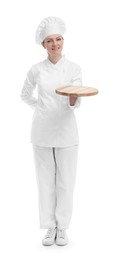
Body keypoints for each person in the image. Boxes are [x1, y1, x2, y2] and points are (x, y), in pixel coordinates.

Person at [21, 16, 82, 246]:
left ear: (63, 41)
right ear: (43, 45)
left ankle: (63, 228)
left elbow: (75, 102)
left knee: (66, 181)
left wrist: (73, 99)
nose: (55, 44)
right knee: (45, 181)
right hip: (42, 131)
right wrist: (42, 108)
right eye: (50, 40)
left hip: (67, 132)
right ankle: (49, 227)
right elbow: (25, 95)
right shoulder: (36, 70)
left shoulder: (74, 68)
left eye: (58, 39)